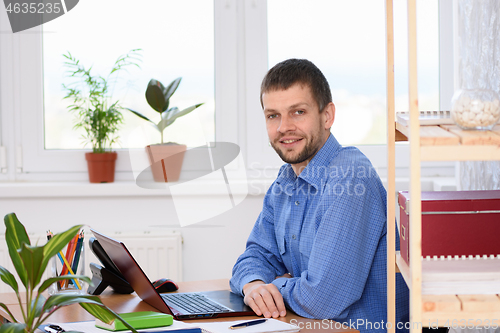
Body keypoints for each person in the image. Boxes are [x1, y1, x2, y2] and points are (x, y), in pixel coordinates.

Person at [230, 59, 410, 333]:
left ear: (327, 116)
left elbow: (321, 301)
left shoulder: (350, 176)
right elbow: (255, 255)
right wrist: (254, 285)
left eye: (298, 112)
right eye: (273, 115)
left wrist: (276, 285)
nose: (283, 127)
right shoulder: (286, 180)